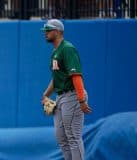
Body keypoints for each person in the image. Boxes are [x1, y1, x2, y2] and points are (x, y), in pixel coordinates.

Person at [41, 19, 92, 160]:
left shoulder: (67, 48)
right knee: (61, 137)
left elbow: (76, 75)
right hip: (60, 97)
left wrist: (81, 99)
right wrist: (46, 94)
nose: (45, 33)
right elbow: (56, 77)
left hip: (73, 95)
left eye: (48, 30)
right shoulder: (55, 52)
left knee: (73, 137)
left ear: (57, 32)